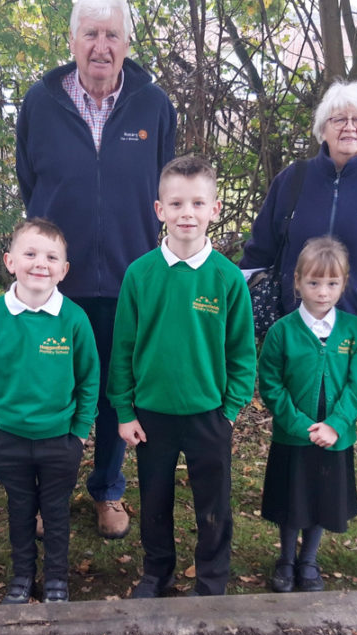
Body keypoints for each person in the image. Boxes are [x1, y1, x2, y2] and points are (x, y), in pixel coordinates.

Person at [16, 0, 177, 539]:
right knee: (52, 390)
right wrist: (45, 258)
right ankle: (46, 494)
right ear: (72, 41)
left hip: (130, 280)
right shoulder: (39, 104)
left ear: (127, 43)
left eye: (112, 35)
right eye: (91, 34)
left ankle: (109, 489)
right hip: (55, 281)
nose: (101, 46)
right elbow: (30, 187)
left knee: (116, 390)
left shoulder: (153, 104)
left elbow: (167, 188)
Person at [108, 156, 257, 598]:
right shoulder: (140, 274)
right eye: (176, 203)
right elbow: (123, 349)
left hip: (208, 413)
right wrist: (123, 409)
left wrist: (229, 410)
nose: (186, 213)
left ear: (215, 209)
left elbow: (242, 353)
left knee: (213, 505)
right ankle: (157, 573)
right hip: (152, 414)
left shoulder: (228, 279)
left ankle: (212, 580)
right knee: (155, 501)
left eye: (197, 203)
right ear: (160, 210)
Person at [0, 218, 101, 604]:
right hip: (6, 439)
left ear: (64, 269)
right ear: (10, 261)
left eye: (51, 257)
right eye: (30, 254)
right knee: (21, 509)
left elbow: (89, 379)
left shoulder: (73, 319)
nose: (40, 263)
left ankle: (57, 579)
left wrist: (78, 432)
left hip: (60, 440)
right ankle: (22, 576)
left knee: (56, 513)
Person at [240, 81, 357, 348]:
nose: (349, 127)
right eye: (338, 119)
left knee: (348, 392)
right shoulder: (293, 178)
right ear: (322, 129)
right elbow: (259, 251)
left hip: (356, 332)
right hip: (292, 330)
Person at [257, 237, 357, 593]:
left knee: (322, 497)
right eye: (314, 282)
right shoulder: (282, 332)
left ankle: (308, 559)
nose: (323, 292)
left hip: (334, 439)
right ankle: (286, 559)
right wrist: (299, 424)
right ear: (297, 282)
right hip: (294, 435)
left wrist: (336, 426)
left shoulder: (355, 333)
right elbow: (271, 384)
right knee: (293, 499)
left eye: (332, 283)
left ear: (344, 283)